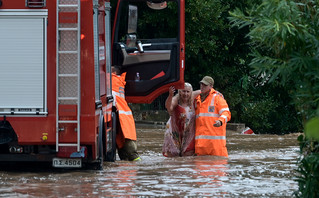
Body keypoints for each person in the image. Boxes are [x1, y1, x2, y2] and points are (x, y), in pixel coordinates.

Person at [194, 76, 231, 157]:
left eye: (205, 85)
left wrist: (220, 121)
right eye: (201, 84)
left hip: (216, 148)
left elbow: (226, 113)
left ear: (211, 86)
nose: (202, 87)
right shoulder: (197, 99)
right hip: (200, 147)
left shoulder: (218, 98)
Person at [162, 83, 200, 157]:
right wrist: (170, 95)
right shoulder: (176, 100)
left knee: (188, 153)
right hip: (175, 131)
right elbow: (168, 107)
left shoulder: (193, 96)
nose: (186, 94)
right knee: (173, 154)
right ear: (179, 92)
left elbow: (204, 90)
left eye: (187, 92)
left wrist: (217, 94)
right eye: (183, 91)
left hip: (188, 132)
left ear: (191, 92)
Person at [112, 66, 140, 161]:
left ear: (114, 72)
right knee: (127, 151)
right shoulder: (119, 80)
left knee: (128, 151)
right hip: (124, 116)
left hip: (120, 115)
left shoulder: (113, 79)